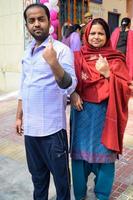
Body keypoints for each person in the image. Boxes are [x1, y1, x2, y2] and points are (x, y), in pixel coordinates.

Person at [15, 3, 77, 200]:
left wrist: (53, 63)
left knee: (61, 183)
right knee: (38, 181)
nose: (36, 24)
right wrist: (18, 116)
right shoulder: (27, 52)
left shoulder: (61, 50)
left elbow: (70, 86)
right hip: (31, 133)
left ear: (49, 22)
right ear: (27, 26)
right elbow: (23, 86)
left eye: (40, 19)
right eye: (31, 21)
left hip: (53, 133)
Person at [70, 18, 131, 200]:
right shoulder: (77, 56)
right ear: (87, 35)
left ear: (107, 36)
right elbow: (69, 82)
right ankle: (80, 193)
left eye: (101, 33)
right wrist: (72, 93)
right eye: (93, 33)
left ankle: (102, 194)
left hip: (106, 115)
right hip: (82, 114)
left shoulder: (115, 58)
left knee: (105, 154)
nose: (96, 37)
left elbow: (126, 88)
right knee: (79, 155)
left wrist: (107, 73)